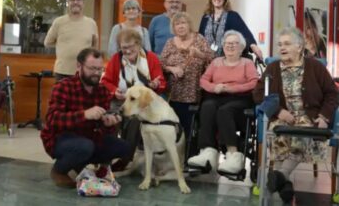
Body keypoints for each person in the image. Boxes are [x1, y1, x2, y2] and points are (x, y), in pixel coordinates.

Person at [252, 27, 339, 203]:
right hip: (281, 118)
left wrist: (324, 116)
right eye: (279, 44)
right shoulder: (273, 68)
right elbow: (258, 93)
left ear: (299, 47)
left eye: (286, 44)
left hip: (310, 117)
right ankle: (285, 184)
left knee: (303, 134)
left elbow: (332, 93)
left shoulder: (315, 67)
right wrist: (278, 111)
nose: (281, 48)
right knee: (278, 134)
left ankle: (280, 175)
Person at [40, 48, 130, 188]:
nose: (96, 73)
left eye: (100, 69)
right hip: (61, 138)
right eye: (92, 68)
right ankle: (59, 170)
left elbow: (105, 126)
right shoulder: (63, 86)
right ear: (79, 66)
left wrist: (109, 123)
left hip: (89, 138)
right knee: (85, 146)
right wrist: (84, 114)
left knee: (123, 146)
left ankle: (80, 164)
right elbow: (52, 119)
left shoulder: (102, 91)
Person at [187, 30, 259, 174]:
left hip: (240, 99)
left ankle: (233, 154)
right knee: (207, 106)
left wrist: (233, 88)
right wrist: (215, 87)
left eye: (234, 43)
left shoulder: (247, 63)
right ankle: (208, 152)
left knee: (224, 111)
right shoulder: (216, 62)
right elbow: (203, 80)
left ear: (241, 47)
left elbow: (254, 82)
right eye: (227, 43)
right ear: (223, 46)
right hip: (216, 96)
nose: (230, 46)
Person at [101, 28, 166, 171]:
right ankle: (105, 159)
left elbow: (161, 83)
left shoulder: (151, 58)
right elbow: (105, 81)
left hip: (142, 103)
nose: (128, 51)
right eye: (124, 47)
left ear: (138, 44)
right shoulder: (116, 59)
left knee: (136, 120)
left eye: (131, 47)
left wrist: (155, 85)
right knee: (109, 118)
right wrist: (114, 91)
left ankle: (126, 157)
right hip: (121, 100)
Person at [161, 12, 212, 141]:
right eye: (177, 24)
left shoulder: (199, 39)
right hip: (173, 94)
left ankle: (188, 156)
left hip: (194, 93)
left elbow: (212, 59)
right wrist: (172, 68)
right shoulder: (170, 42)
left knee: (189, 129)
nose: (180, 26)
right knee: (174, 129)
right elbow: (160, 64)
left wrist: (199, 54)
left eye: (183, 23)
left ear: (189, 25)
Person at [44, 0, 98, 82]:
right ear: (68, 3)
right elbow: (47, 42)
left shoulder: (91, 23)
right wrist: (62, 45)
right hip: (62, 73)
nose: (75, 2)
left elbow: (94, 47)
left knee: (84, 98)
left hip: (84, 72)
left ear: (83, 3)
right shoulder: (59, 22)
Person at [198, 0, 263, 59]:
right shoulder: (205, 18)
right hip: (207, 61)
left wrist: (253, 46)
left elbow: (245, 32)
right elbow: (200, 38)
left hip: (225, 61)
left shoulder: (233, 16)